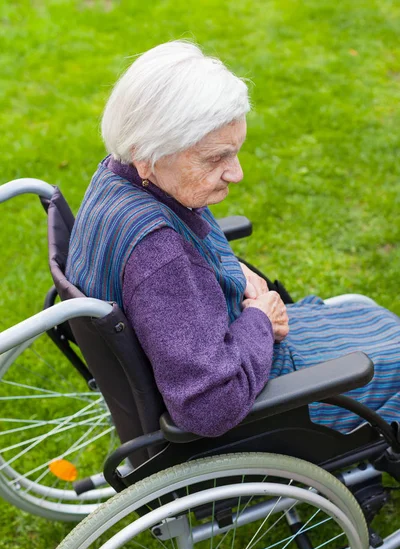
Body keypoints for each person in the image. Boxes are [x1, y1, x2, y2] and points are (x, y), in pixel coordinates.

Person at [66, 41, 400, 437]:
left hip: (229, 344)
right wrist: (261, 319)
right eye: (215, 158)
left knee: (375, 324)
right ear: (147, 153)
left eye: (235, 152)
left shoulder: (119, 178)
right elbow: (210, 405)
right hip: (272, 403)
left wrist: (226, 268)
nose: (236, 173)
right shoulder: (159, 257)